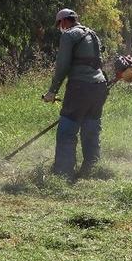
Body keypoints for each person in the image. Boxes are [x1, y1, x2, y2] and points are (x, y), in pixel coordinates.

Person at [43, 9, 109, 180]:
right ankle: (92, 169)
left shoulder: (69, 35)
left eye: (59, 24)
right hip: (100, 86)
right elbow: (98, 61)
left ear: (64, 21)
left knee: (67, 130)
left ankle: (63, 173)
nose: (60, 28)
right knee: (91, 128)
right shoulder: (93, 34)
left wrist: (52, 91)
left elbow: (62, 66)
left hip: (80, 87)